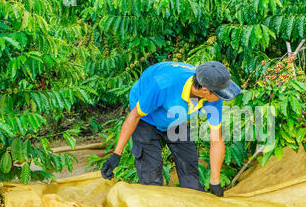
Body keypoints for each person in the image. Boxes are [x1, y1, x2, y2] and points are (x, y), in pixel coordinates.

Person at [101, 61, 241, 197]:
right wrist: (116, 154)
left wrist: (215, 181)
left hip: (176, 117)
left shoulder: (213, 97)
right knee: (151, 177)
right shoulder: (163, 84)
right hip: (146, 119)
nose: (221, 98)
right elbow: (134, 116)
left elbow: (216, 140)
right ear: (205, 90)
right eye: (220, 94)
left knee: (190, 172)